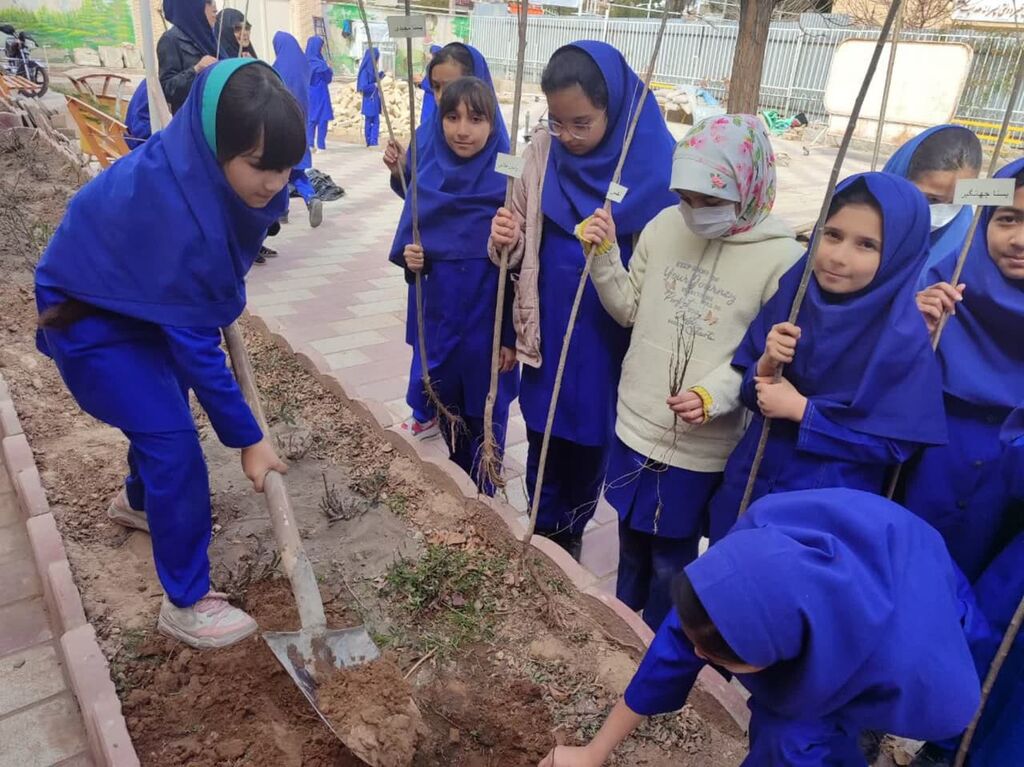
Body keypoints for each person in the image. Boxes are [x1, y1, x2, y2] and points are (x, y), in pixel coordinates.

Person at [34, 60, 302, 649]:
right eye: (262, 167)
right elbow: (197, 350)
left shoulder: (204, 174)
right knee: (174, 441)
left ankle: (139, 503)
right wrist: (249, 440)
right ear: (216, 146)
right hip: (91, 317)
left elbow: (196, 314)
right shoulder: (178, 210)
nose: (276, 182)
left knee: (161, 410)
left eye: (287, 166)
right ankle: (185, 601)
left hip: (135, 299)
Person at [539, 488, 981, 767]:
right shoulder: (747, 570)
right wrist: (593, 753)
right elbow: (679, 642)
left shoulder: (909, 667)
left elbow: (949, 710)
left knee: (796, 738)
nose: (697, 656)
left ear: (781, 658)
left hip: (912, 607)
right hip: (856, 541)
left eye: (717, 659)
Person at [581, 115, 802, 630]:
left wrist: (714, 394)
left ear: (749, 188)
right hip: (638, 418)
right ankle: (619, 626)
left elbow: (759, 359)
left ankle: (659, 643)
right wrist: (603, 256)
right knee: (631, 536)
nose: (695, 213)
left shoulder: (784, 261)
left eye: (710, 201)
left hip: (699, 442)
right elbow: (630, 308)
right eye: (687, 197)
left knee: (671, 556)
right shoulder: (664, 225)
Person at [489, 41, 677, 559]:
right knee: (543, 418)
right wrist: (502, 236)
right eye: (557, 121)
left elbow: (665, 263)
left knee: (593, 427)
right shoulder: (542, 153)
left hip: (608, 327)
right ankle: (541, 518)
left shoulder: (652, 165)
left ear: (613, 110)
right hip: (546, 318)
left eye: (582, 123)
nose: (568, 136)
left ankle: (571, 524)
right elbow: (517, 236)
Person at [705, 173, 949, 542]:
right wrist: (765, 367)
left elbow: (895, 444)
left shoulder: (901, 337)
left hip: (823, 509)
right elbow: (751, 393)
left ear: (899, 255)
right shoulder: (795, 294)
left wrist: (806, 413)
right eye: (832, 234)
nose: (837, 257)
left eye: (866, 245)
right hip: (751, 481)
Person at [388, 77, 518, 493]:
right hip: (442, 320)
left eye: (477, 119)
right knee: (449, 408)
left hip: (487, 327)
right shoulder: (427, 179)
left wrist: (511, 337)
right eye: (452, 117)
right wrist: (414, 261)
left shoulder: (510, 186)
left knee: (488, 414)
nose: (463, 130)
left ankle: (487, 491)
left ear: (493, 123)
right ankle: (463, 485)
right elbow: (412, 252)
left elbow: (522, 268)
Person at [901, 158, 1024, 581]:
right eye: (1008, 218)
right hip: (923, 470)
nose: (1019, 240)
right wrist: (910, 334)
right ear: (986, 218)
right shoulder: (940, 289)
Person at [383, 42, 506, 201]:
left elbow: (519, 200)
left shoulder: (503, 154)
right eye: (436, 87)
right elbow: (414, 200)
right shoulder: (423, 139)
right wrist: (401, 170)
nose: (441, 95)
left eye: (451, 86)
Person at [882, 125, 981, 271]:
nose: (943, 213)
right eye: (932, 199)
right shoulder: (853, 226)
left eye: (956, 202)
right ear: (900, 179)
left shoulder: (968, 249)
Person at [272, 32, 323, 229]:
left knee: (282, 171)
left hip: (283, 126)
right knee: (298, 172)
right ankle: (311, 197)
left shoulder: (277, 68)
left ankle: (282, 211)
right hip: (301, 126)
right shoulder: (304, 65)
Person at [158, 0, 219, 114]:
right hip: (193, 120)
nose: (215, 9)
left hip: (216, 115)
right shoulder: (171, 40)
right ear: (192, 6)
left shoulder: (209, 37)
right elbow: (166, 89)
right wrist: (196, 70)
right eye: (208, 2)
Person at [305, 36, 334, 152]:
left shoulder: (304, 61)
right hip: (321, 93)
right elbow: (328, 78)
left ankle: (311, 144)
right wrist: (329, 69)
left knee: (311, 119)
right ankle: (320, 145)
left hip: (310, 94)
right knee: (322, 119)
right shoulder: (321, 64)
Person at [357, 47, 383, 148]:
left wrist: (381, 75)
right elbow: (363, 87)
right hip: (369, 99)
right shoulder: (365, 72)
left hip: (375, 99)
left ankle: (373, 141)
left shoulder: (372, 69)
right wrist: (374, 85)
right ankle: (370, 141)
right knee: (369, 120)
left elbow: (374, 78)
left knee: (375, 120)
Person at [419, 44, 443, 126]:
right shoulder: (436, 66)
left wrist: (421, 83)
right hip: (430, 96)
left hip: (431, 97)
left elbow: (430, 84)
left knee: (428, 120)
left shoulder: (434, 67)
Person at [124, 80, 151, 150]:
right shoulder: (153, 86)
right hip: (137, 144)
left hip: (131, 138)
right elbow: (140, 130)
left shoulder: (148, 81)